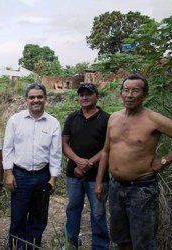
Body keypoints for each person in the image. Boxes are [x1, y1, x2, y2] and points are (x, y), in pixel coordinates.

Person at [95, 74, 172, 250]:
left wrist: (163, 161)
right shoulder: (114, 118)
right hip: (116, 186)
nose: (129, 95)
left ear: (145, 95)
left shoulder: (153, 119)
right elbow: (106, 151)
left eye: (135, 90)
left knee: (143, 242)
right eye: (126, 90)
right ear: (121, 93)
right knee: (121, 239)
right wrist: (99, 183)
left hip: (141, 189)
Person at [3, 83, 62, 249]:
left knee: (39, 218)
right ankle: (16, 247)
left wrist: (53, 178)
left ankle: (32, 247)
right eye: (32, 97)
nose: (36, 100)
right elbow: (8, 149)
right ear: (26, 100)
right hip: (20, 176)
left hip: (43, 176)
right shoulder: (15, 120)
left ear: (45, 99)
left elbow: (55, 153)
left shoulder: (53, 123)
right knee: (18, 217)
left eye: (40, 97)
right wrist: (9, 174)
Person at [62, 83, 110, 249]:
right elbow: (64, 143)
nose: (84, 97)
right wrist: (78, 161)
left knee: (98, 212)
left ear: (97, 96)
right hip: (73, 174)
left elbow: (108, 147)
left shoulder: (107, 119)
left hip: (98, 176)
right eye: (81, 95)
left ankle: (100, 246)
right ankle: (70, 243)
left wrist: (89, 163)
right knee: (72, 209)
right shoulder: (72, 118)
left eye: (88, 94)